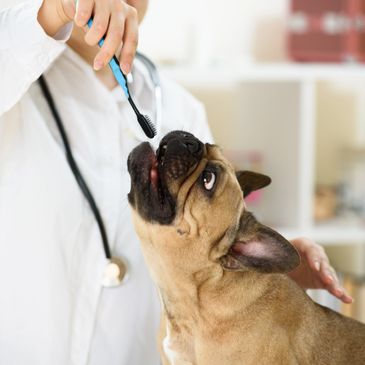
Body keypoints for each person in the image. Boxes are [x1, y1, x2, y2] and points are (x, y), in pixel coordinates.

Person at [0, 1, 352, 364]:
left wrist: (262, 263)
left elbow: (207, 235)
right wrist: (55, 10)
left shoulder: (181, 107)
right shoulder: (14, 71)